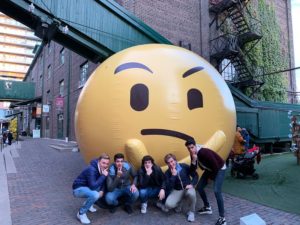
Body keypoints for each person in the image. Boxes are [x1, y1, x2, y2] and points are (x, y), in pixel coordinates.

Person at [185, 138, 227, 225]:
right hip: (209, 169)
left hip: (219, 168)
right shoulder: (192, 154)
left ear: (195, 146)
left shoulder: (204, 152)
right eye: (189, 148)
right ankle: (207, 207)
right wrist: (193, 161)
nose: (191, 150)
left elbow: (215, 166)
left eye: (192, 147)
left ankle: (222, 218)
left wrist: (210, 178)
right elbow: (192, 171)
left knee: (216, 190)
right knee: (199, 187)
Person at [72, 153, 110, 224]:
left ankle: (89, 204)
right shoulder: (91, 169)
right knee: (95, 195)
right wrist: (103, 176)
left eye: (107, 164)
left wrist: (102, 190)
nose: (105, 165)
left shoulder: (102, 169)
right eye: (103, 163)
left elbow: (103, 182)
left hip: (87, 186)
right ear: (99, 161)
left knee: (99, 192)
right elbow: (93, 186)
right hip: (78, 189)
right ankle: (81, 213)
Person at [163, 153, 198, 222]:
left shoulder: (183, 166)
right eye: (168, 163)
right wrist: (173, 176)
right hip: (177, 190)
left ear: (175, 161)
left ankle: (191, 212)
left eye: (172, 161)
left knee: (191, 194)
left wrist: (192, 184)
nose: (171, 164)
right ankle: (179, 202)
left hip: (188, 187)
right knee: (168, 204)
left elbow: (195, 175)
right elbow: (169, 187)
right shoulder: (167, 173)